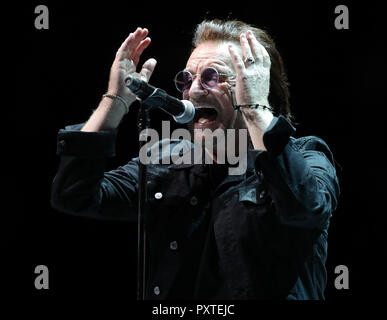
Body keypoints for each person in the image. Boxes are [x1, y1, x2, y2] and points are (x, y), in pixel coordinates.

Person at [51, 20, 340, 299]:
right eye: (187, 79)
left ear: (258, 86)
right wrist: (115, 101)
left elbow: (305, 207)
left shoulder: (307, 156)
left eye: (212, 77)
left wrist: (254, 107)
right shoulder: (164, 159)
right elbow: (75, 195)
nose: (194, 90)